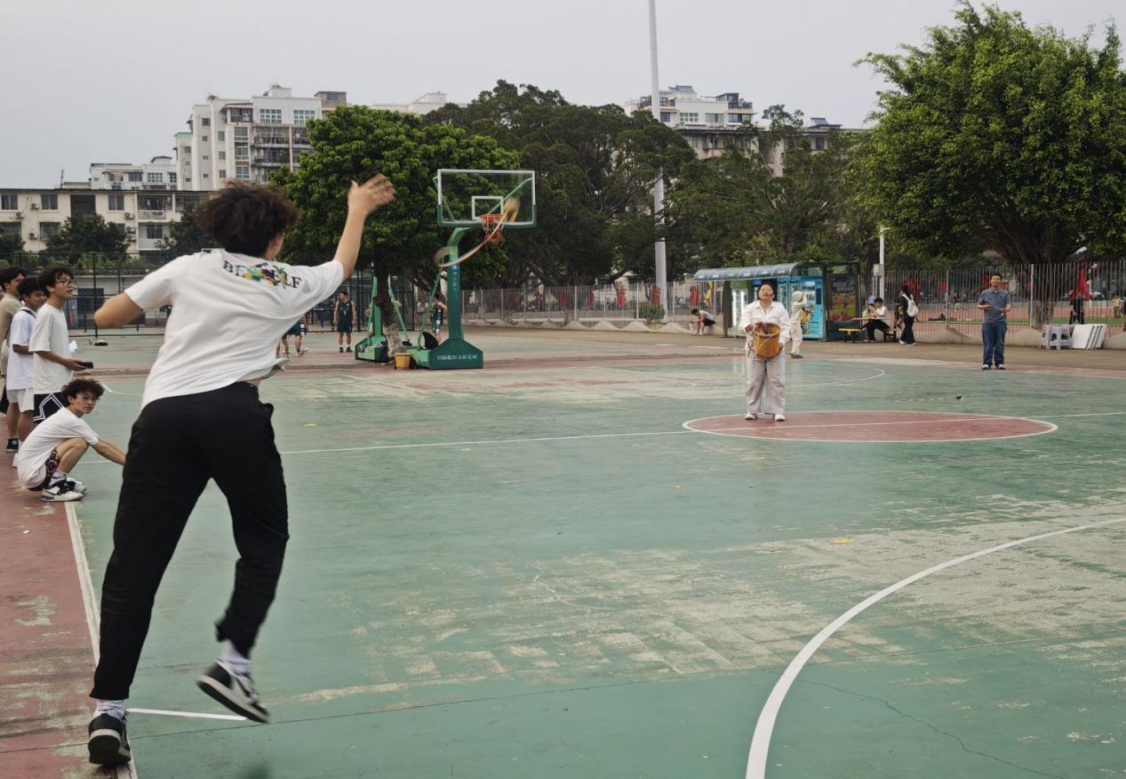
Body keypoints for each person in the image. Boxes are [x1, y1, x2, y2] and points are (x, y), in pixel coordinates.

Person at [84, 175, 396, 767]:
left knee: (134, 567)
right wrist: (356, 208)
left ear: (220, 228)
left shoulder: (189, 267)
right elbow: (342, 264)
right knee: (264, 538)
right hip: (234, 413)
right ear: (275, 238)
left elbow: (109, 314)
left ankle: (109, 710)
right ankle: (233, 661)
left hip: (165, 417)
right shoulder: (290, 281)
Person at [14, 378, 126, 502]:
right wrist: (131, 466)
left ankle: (56, 481)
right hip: (33, 475)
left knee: (83, 440)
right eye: (85, 398)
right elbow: (103, 449)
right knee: (80, 443)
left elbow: (103, 442)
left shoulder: (70, 417)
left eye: (94, 399)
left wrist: (132, 459)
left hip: (33, 471)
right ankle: (53, 488)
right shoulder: (70, 421)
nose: (90, 402)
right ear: (71, 399)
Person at [30, 266, 89, 423]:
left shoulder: (58, 312)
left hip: (61, 384)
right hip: (50, 386)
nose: (70, 285)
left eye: (70, 281)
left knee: (64, 431)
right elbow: (39, 348)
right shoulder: (46, 313)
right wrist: (66, 362)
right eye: (63, 281)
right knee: (52, 433)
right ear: (50, 287)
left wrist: (68, 362)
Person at [739, 283, 790, 422]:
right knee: (753, 380)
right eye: (762, 289)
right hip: (755, 350)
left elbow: (786, 327)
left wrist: (781, 343)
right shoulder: (750, 308)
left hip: (776, 350)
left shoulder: (779, 308)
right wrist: (751, 326)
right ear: (758, 293)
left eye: (768, 290)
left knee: (777, 380)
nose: (765, 292)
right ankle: (752, 410)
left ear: (773, 294)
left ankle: (777, 411)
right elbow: (742, 324)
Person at [7, 277, 49, 442]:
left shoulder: (34, 315)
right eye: (38, 295)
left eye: (44, 294)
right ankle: (23, 447)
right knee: (28, 411)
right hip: (26, 374)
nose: (42, 298)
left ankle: (22, 445)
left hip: (28, 372)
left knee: (26, 409)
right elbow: (17, 346)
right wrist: (45, 351)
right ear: (25, 297)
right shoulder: (23, 317)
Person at [0, 266, 26, 452]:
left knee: (13, 401)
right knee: (18, 402)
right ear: (7, 285)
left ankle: (13, 440)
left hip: (12, 355)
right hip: (13, 356)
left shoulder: (13, 301)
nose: (22, 283)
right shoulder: (11, 304)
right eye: (18, 281)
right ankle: (19, 440)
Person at [978, 272, 1011, 370]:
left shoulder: (1005, 293)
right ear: (991, 281)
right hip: (987, 322)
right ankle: (986, 363)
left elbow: (1008, 306)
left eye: (997, 279)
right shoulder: (984, 293)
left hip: (1001, 322)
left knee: (999, 343)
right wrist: (984, 306)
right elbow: (978, 305)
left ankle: (999, 362)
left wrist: (1005, 309)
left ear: (1000, 281)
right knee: (988, 343)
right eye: (993, 279)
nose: (995, 280)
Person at [788, 291, 809, 358]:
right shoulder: (795, 304)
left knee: (798, 338)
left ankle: (795, 353)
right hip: (795, 323)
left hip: (795, 323)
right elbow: (804, 303)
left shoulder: (796, 304)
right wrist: (804, 296)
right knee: (797, 338)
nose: (802, 296)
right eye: (801, 296)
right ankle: (794, 353)